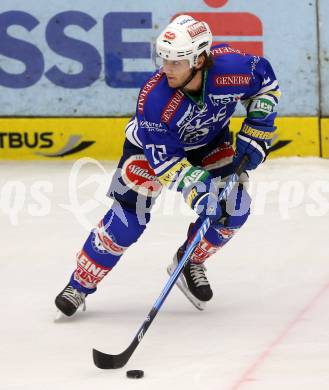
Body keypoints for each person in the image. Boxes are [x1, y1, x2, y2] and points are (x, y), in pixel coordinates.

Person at [55, 15, 281, 316]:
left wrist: (257, 128)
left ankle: (190, 261)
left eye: (176, 62)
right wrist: (200, 192)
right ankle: (79, 284)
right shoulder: (155, 98)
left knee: (234, 207)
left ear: (200, 60)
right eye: (164, 59)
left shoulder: (234, 69)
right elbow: (168, 162)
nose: (166, 69)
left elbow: (265, 84)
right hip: (150, 150)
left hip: (210, 142)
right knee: (126, 222)